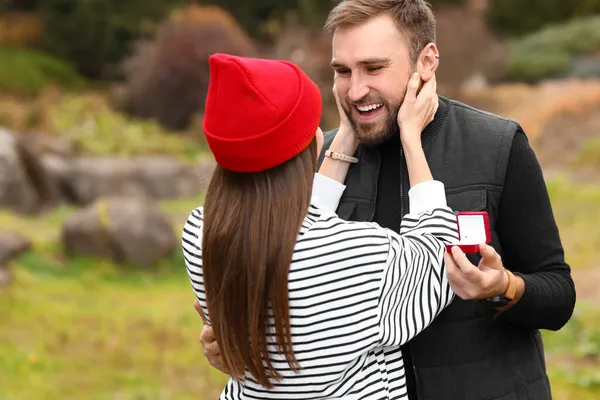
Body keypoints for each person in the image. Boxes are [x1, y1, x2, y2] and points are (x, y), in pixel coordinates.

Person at [197, 1, 576, 400]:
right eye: (342, 71)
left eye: (374, 68)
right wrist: (242, 342)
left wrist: (505, 286)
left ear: (426, 62)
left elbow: (558, 294)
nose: (356, 90)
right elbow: (284, 289)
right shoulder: (316, 164)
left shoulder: (497, 145)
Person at [182, 52, 470, 399]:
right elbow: (438, 255)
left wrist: (346, 137)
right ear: (315, 144)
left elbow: (295, 233)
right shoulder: (362, 256)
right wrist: (411, 136)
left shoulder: (200, 235)